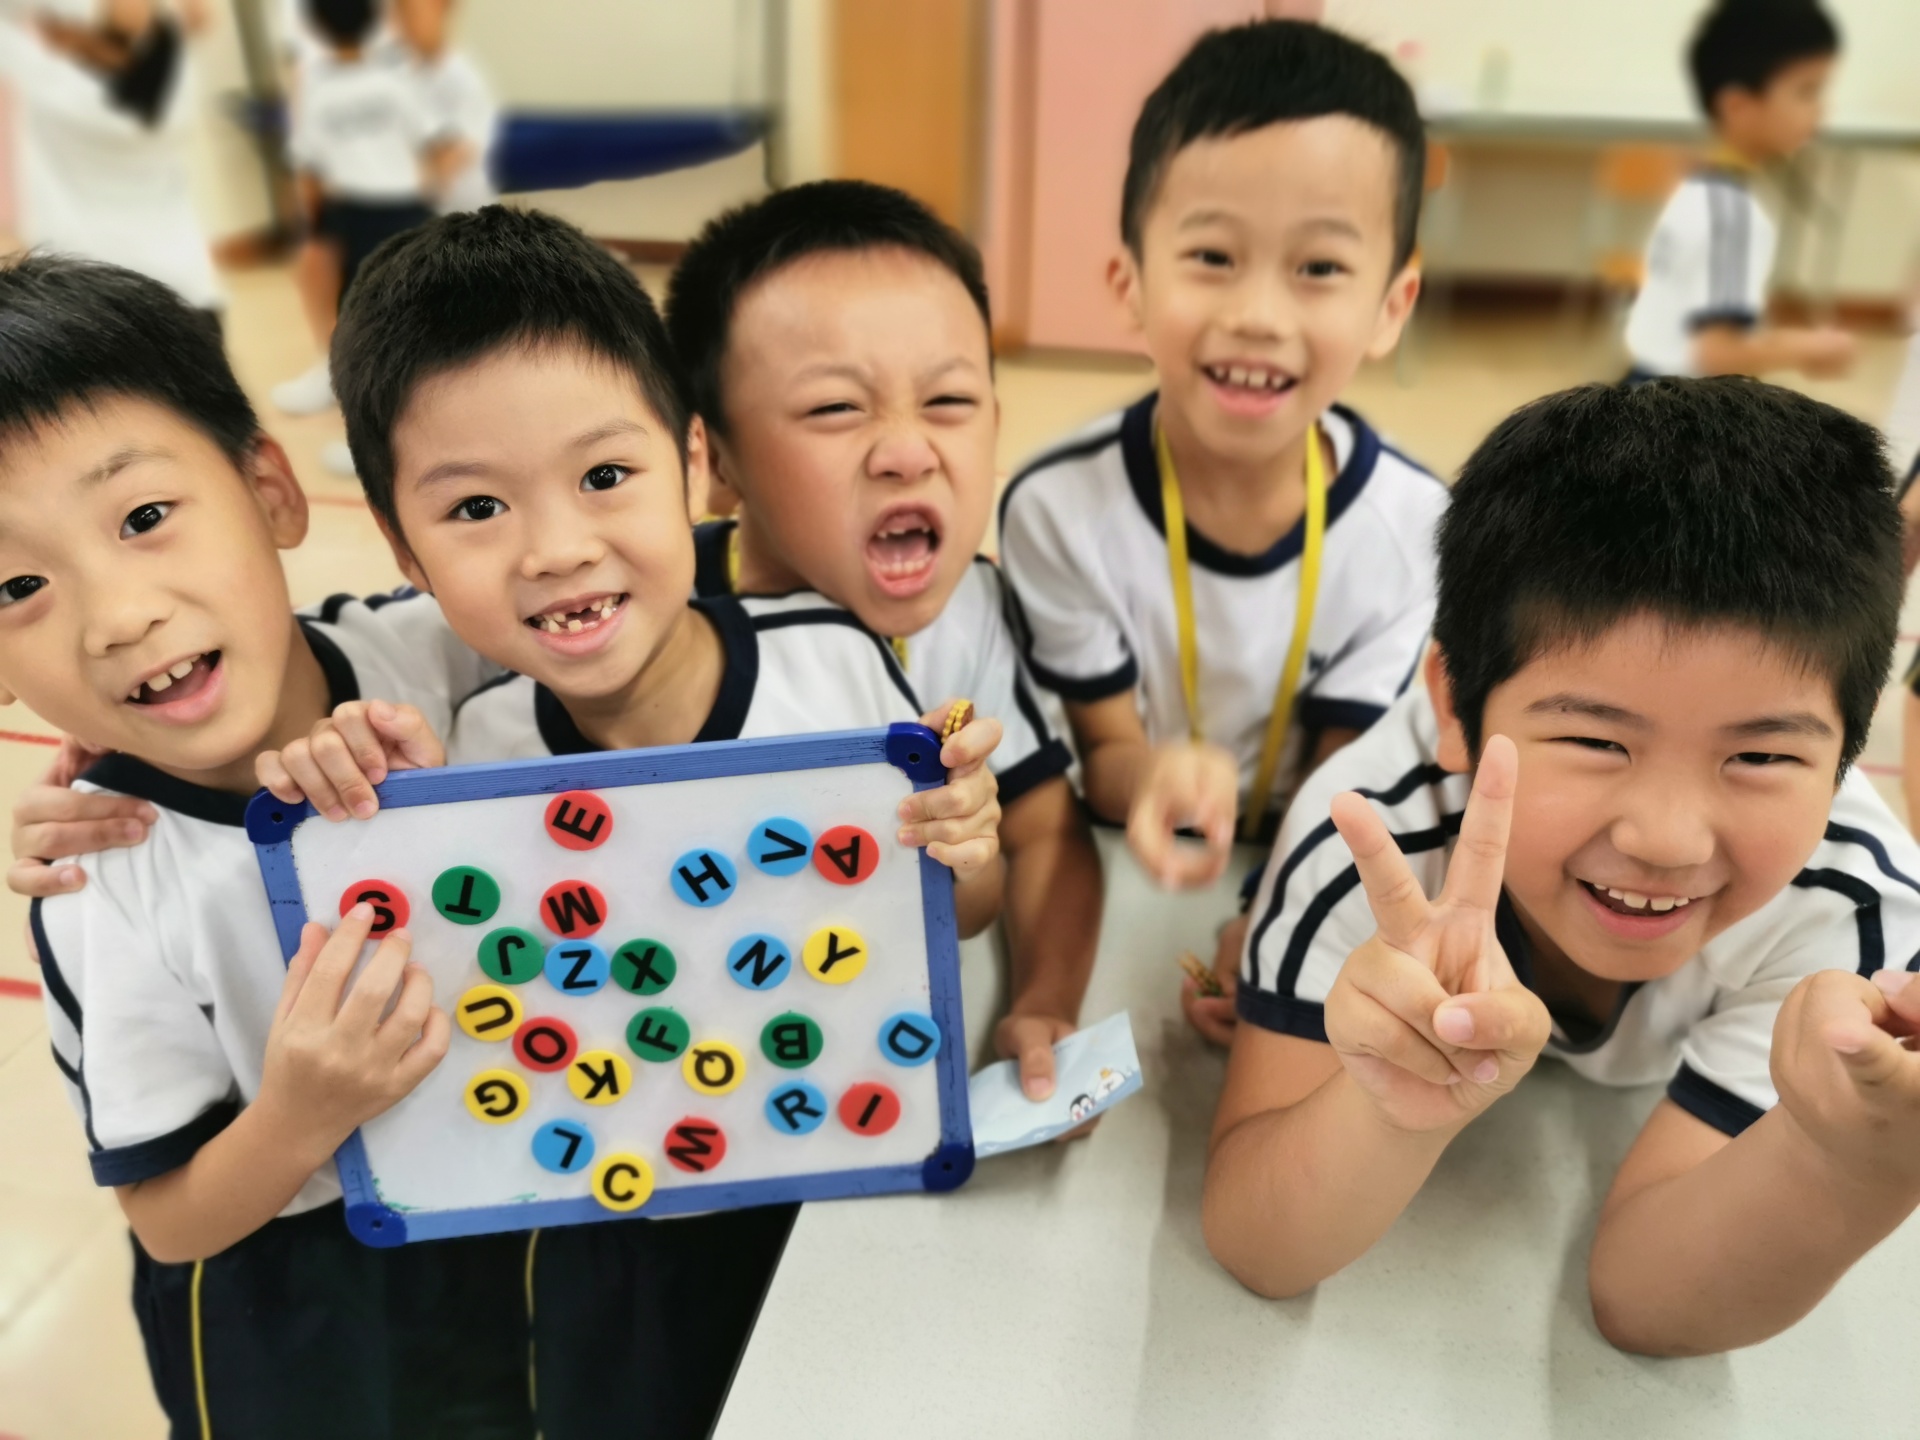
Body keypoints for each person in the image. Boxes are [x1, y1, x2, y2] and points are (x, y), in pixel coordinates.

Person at [254, 203, 1005, 1438]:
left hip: (845, 1171)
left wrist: (966, 845)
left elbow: (957, 911)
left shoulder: (833, 663)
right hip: (605, 1227)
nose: (558, 548)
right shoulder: (469, 761)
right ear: (402, 549)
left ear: (693, 461)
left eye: (606, 476)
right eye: (476, 509)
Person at [1205, 377, 1920, 1356]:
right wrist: (1390, 1111)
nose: (1667, 838)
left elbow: (1644, 1301)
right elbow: (1256, 1241)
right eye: (1596, 741)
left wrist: (1851, 1164)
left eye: (1759, 756)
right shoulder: (1374, 845)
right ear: (1453, 707)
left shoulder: (1857, 923)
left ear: (1846, 754)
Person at [0, 253, 531, 1437]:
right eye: (14, 585)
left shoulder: (419, 651)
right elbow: (168, 1218)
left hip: (501, 1191)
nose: (118, 616)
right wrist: (300, 1113)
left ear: (272, 494)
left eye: (144, 518)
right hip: (298, 1299)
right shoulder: (102, 877)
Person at [995, 20, 1443, 1043]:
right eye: (1211, 256)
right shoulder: (1056, 509)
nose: (1257, 315)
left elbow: (1349, 773)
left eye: (1319, 267)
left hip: (1322, 845)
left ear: (1392, 304)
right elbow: (1105, 747)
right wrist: (1150, 775)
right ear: (1129, 284)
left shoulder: (1416, 530)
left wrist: (1270, 918)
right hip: (1124, 851)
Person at [665, 179, 1100, 1099]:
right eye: (835, 408)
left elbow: (1044, 831)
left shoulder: (970, 611)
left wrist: (1044, 1000)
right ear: (717, 460)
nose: (908, 451)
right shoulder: (655, 625)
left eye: (950, 399)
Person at [1622, 0, 1853, 382]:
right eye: (1806, 92)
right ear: (1738, 106)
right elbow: (1715, 355)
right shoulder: (1732, 214)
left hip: (1643, 390)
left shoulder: (1697, 190)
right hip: (1680, 406)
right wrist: (1807, 348)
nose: (1820, 111)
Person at [269, 0, 448, 435]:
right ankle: (365, 395)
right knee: (400, 308)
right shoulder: (394, 77)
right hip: (398, 205)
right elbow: (431, 141)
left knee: (368, 311)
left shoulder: (325, 87)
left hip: (366, 208)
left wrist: (310, 219)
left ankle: (388, 421)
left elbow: (308, 165)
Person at [0, 0, 223, 324]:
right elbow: (183, 24)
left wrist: (95, 11)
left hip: (93, 301)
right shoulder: (178, 85)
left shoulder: (53, 87)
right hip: (187, 288)